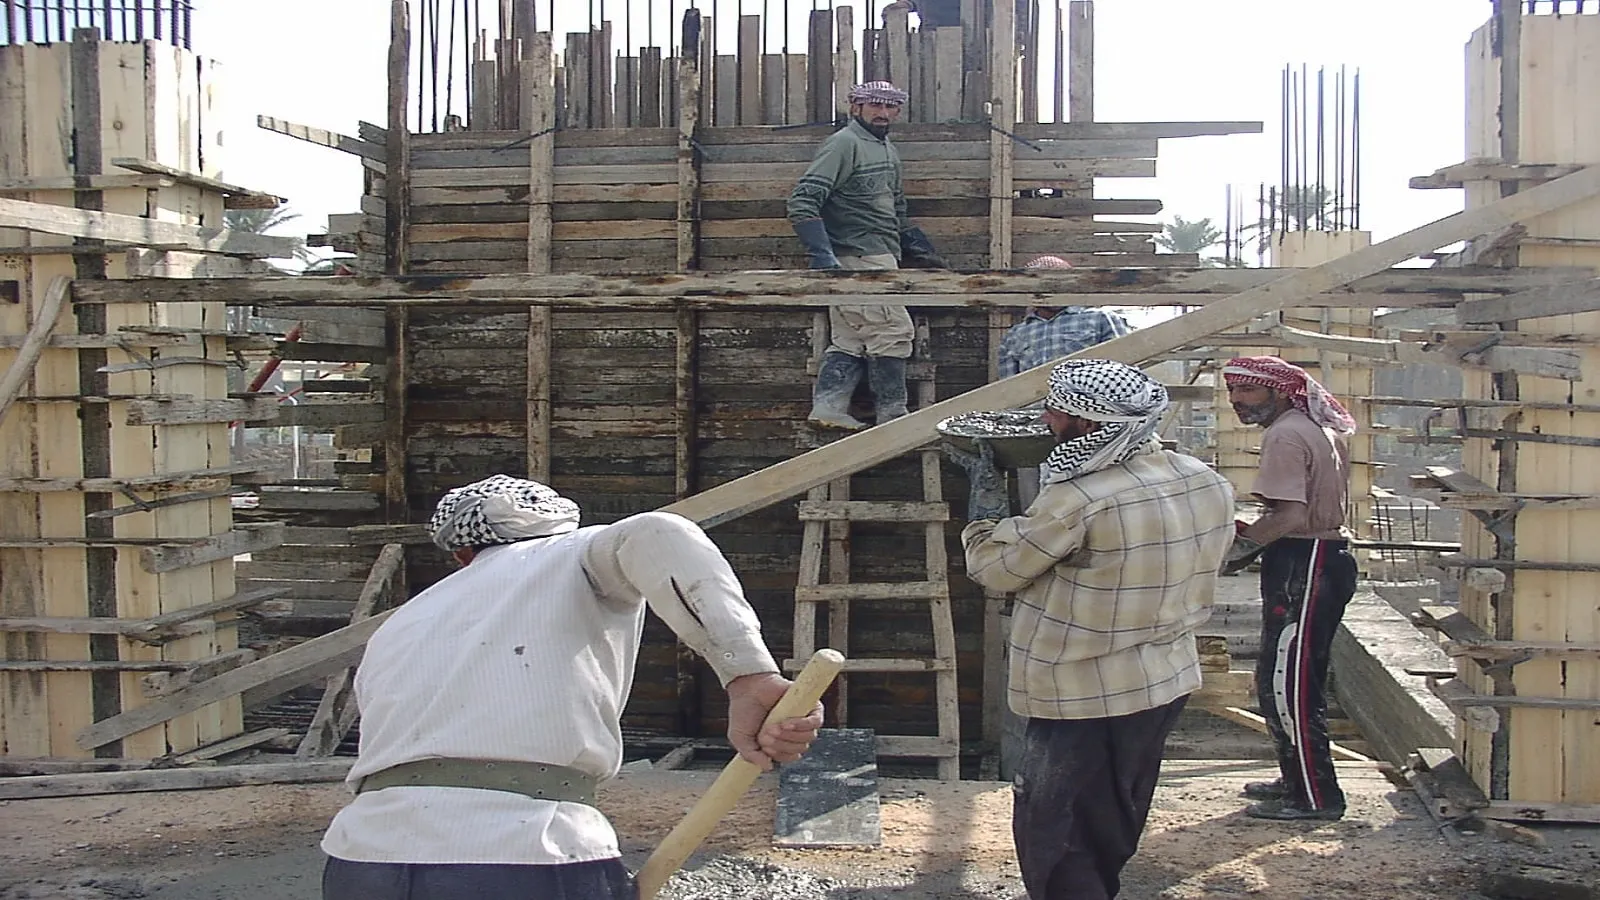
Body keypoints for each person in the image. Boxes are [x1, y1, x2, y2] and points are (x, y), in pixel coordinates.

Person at [319, 474, 823, 900]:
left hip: (361, 862)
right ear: (561, 525)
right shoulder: (573, 554)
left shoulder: (403, 622)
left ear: (461, 554)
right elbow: (659, 535)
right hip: (525, 855)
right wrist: (749, 675)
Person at [948, 360, 1235, 900]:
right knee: (1114, 813)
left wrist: (984, 503)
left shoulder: (1079, 500)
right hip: (1162, 682)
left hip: (1080, 695)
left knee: (1054, 832)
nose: (1044, 418)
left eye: (1054, 410)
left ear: (1085, 425)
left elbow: (996, 570)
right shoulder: (1205, 478)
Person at [1221, 356, 1359, 822]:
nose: (1237, 401)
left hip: (1307, 560)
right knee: (1285, 677)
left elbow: (1288, 517)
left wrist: (1234, 550)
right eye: (1232, 392)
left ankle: (1316, 798)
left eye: (1247, 391)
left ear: (1278, 391)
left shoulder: (1284, 435)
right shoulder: (1311, 426)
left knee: (1290, 684)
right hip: (1318, 560)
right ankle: (1296, 779)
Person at [787, 80, 946, 431]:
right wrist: (823, 256)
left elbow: (896, 207)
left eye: (890, 107)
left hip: (881, 254)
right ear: (855, 107)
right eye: (875, 105)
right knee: (893, 330)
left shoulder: (885, 147)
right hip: (858, 258)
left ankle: (829, 407)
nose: (883, 113)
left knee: (851, 336)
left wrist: (917, 246)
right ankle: (892, 414)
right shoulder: (844, 144)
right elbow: (802, 201)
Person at [999, 254, 1135, 508]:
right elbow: (1009, 390)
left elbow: (1123, 373)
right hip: (1037, 427)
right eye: (1037, 283)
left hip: (1090, 424)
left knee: (1092, 493)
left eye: (1054, 282)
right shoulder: (1017, 334)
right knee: (1036, 496)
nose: (1046, 288)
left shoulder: (1099, 319)